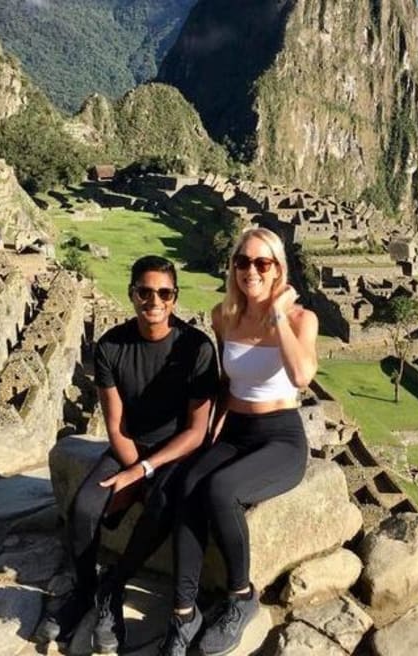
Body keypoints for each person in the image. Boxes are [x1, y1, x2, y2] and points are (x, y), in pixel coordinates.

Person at [34, 255, 219, 654]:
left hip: (174, 453)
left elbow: (196, 432)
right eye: (145, 291)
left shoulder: (196, 348)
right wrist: (135, 466)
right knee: (84, 507)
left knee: (161, 506)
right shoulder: (110, 347)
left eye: (164, 293)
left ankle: (113, 585)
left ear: (174, 298)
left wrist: (143, 474)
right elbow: (115, 424)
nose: (154, 300)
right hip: (128, 446)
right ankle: (86, 589)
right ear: (132, 293)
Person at [158, 227, 318, 656]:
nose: (251, 270)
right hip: (235, 431)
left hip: (280, 438)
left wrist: (279, 315)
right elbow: (230, 378)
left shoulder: (302, 320)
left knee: (220, 489)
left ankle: (240, 597)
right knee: (187, 488)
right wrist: (214, 423)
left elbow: (302, 376)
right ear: (233, 267)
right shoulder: (223, 315)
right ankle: (182, 612)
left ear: (278, 268)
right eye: (242, 261)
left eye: (262, 263)